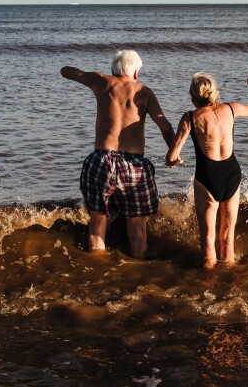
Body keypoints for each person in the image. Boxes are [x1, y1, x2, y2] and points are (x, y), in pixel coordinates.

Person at [60, 50, 175, 259]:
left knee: (98, 220)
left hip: (102, 160)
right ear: (136, 73)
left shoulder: (102, 81)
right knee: (137, 225)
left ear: (114, 70)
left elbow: (66, 71)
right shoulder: (144, 92)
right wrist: (172, 152)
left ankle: (98, 266)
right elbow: (166, 127)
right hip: (135, 166)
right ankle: (137, 266)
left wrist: (93, 76)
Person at [166, 73, 248, 267]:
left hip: (208, 177)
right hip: (232, 174)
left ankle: (208, 287)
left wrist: (174, 161)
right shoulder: (231, 108)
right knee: (228, 237)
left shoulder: (189, 118)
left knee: (208, 239)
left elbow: (171, 156)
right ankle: (229, 286)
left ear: (194, 96)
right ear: (214, 93)